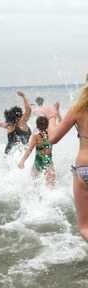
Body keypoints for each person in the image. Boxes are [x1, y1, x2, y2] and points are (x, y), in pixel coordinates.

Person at [49, 84, 88, 241]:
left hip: (85, 168)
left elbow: (53, 138)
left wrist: (52, 117)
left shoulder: (78, 109)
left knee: (85, 227)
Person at [18, 116, 55, 187]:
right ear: (47, 125)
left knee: (33, 185)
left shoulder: (36, 137)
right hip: (48, 162)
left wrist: (22, 161)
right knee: (51, 186)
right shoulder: (52, 134)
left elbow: (29, 150)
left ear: (37, 126)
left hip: (38, 161)